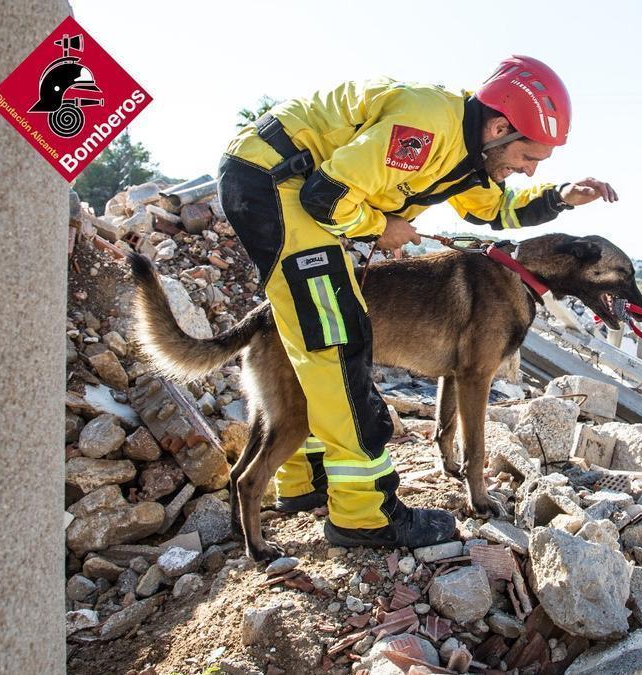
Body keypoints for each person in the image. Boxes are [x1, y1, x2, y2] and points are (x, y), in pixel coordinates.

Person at [218, 56, 618, 549]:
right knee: (337, 343)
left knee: (316, 335)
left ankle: (301, 485)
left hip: (290, 185)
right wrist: (378, 227)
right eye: (529, 157)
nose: (528, 169)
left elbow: (497, 212)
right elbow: (325, 197)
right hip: (271, 180)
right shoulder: (426, 127)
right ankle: (365, 516)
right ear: (498, 127)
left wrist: (561, 196)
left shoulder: (471, 156)